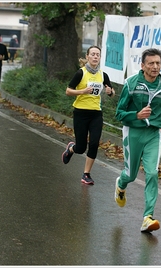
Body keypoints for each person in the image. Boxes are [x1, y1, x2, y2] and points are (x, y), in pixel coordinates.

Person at [114, 48, 161, 232]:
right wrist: (136, 115)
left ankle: (148, 217)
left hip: (153, 134)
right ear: (143, 65)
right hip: (133, 132)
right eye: (151, 63)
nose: (155, 67)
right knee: (130, 175)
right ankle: (121, 184)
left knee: (152, 173)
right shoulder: (131, 84)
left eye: (158, 63)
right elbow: (119, 113)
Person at [61, 45, 115, 185]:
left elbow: (111, 92)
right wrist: (82, 91)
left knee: (95, 143)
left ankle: (86, 174)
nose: (95, 57)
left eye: (98, 54)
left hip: (96, 113)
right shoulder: (81, 73)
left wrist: (110, 92)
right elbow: (68, 91)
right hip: (80, 113)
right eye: (93, 54)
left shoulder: (103, 75)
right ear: (87, 57)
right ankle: (71, 149)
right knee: (81, 148)